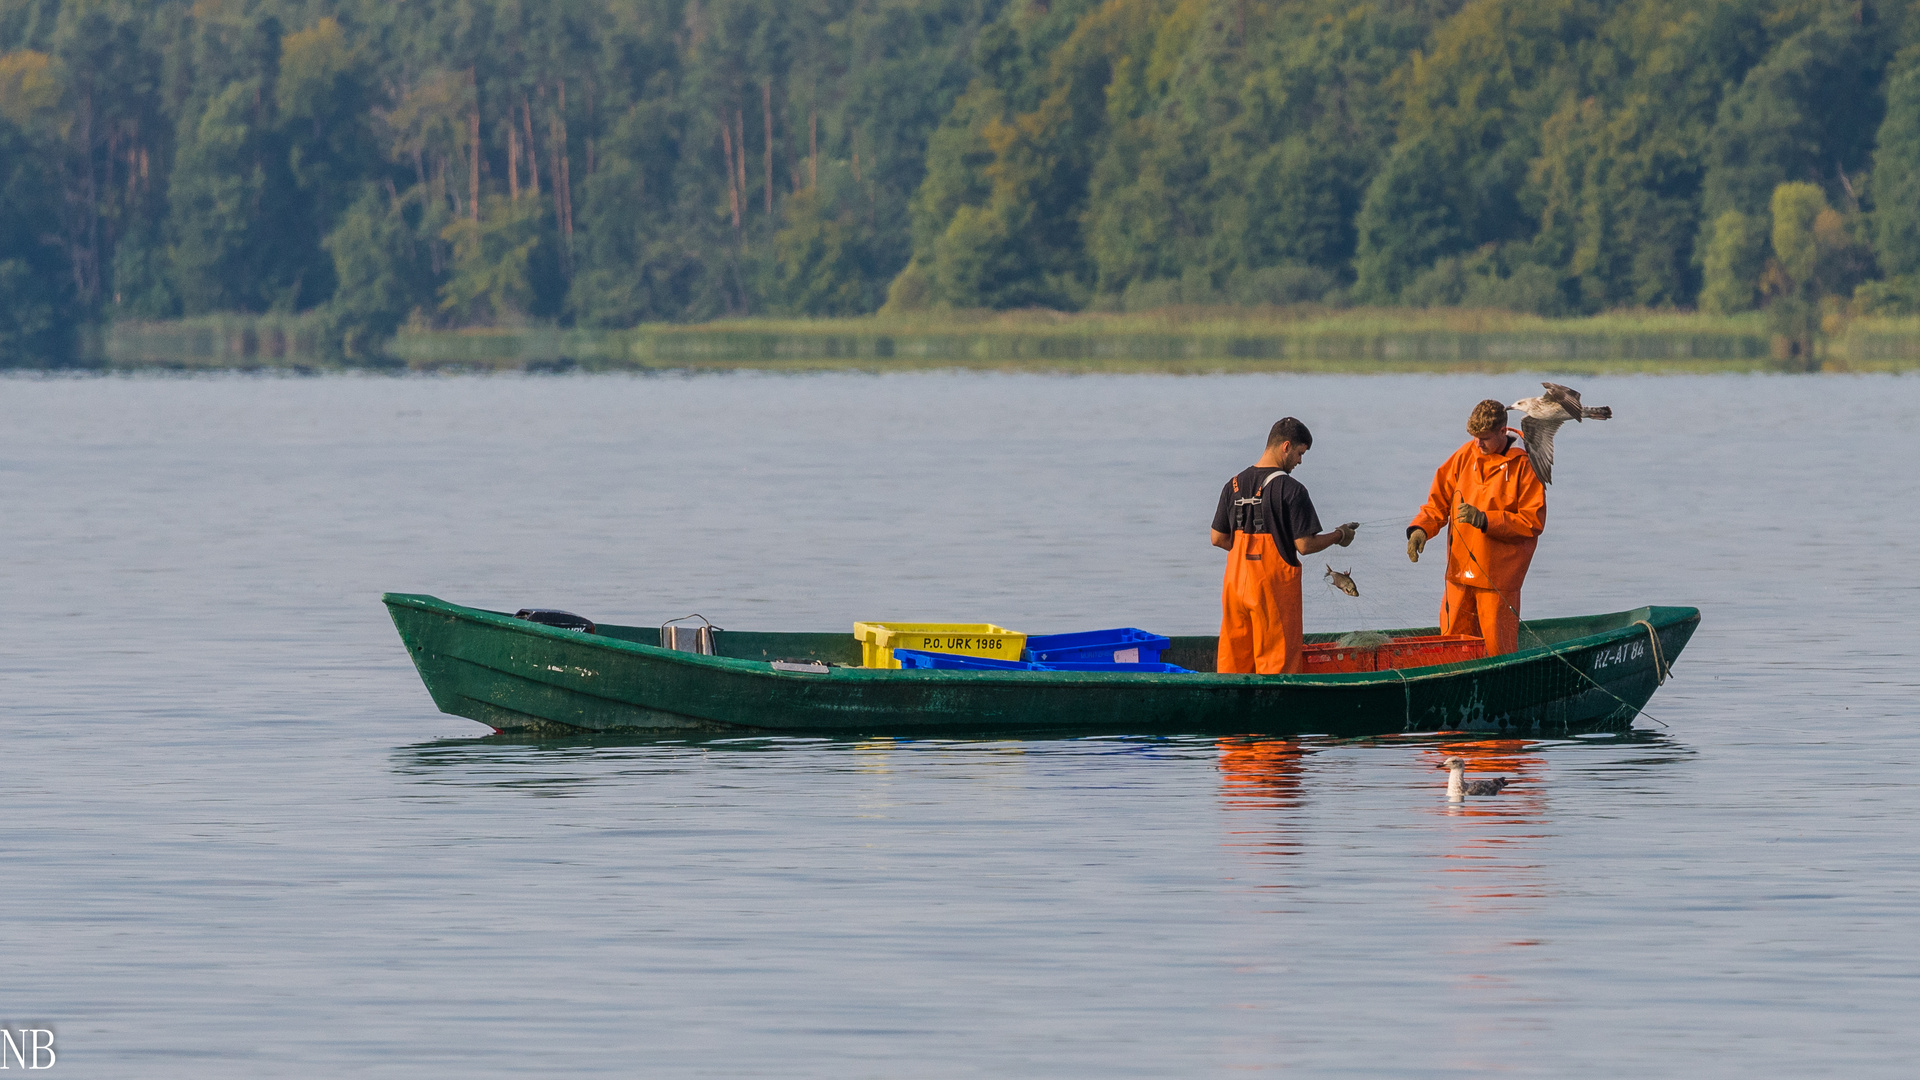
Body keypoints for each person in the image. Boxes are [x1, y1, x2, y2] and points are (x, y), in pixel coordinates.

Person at [1212, 418, 1356, 675]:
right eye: (1300, 454)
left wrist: (1246, 555)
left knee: (1234, 663)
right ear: (1286, 446)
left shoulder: (1232, 485)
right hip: (1271, 590)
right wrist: (1339, 535)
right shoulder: (1291, 490)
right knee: (1277, 666)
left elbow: (1218, 538)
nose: (1300, 461)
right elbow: (1305, 544)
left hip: (1235, 588)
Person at [1406, 399, 1546, 657]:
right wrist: (1420, 530)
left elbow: (1531, 522)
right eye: (1474, 437)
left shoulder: (1525, 467)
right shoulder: (1464, 455)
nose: (1478, 444)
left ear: (1503, 432)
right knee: (1451, 650)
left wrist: (1485, 520)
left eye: (1485, 438)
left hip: (1498, 581)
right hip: (1458, 576)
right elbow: (1437, 503)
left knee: (1497, 652)